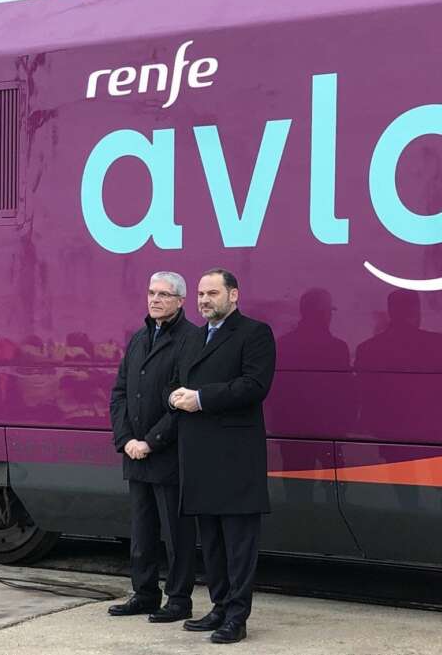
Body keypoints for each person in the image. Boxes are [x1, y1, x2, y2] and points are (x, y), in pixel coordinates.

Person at [163, 267, 276, 644]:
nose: (204, 300)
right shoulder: (193, 338)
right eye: (200, 294)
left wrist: (201, 399)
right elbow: (175, 381)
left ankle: (237, 617)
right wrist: (175, 397)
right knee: (211, 541)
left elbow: (254, 385)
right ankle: (219, 606)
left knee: (238, 544)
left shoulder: (254, 333)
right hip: (199, 454)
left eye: (212, 293)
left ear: (234, 295)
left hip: (235, 457)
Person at [108, 271, 199, 623]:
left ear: (180, 301)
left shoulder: (191, 340)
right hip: (136, 453)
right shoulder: (139, 337)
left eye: (164, 294)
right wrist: (127, 440)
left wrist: (151, 441)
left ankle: (179, 599)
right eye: (151, 293)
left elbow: (183, 403)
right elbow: (120, 393)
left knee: (177, 533)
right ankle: (144, 593)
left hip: (169, 455)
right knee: (141, 530)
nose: (155, 299)